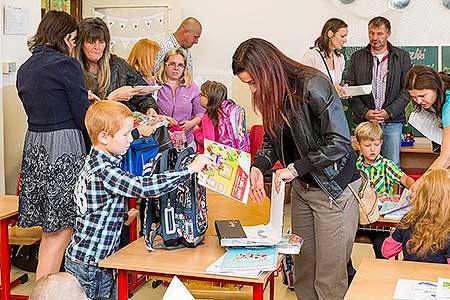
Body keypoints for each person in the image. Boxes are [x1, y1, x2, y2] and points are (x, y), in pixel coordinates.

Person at [232, 38, 359, 300]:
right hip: (303, 187)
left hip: (333, 189)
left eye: (254, 82)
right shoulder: (273, 94)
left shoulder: (313, 84)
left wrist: (296, 168)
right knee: (304, 268)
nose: (253, 90)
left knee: (329, 275)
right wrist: (258, 166)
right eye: (248, 85)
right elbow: (271, 138)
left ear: (267, 70)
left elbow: (339, 142)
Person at [64, 100, 212, 299]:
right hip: (91, 266)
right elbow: (144, 186)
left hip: (90, 258)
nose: (129, 140)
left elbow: (93, 205)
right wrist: (189, 170)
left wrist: (121, 214)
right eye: (125, 135)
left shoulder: (95, 159)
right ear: (104, 137)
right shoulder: (105, 171)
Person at [16, 10, 90, 281]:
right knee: (62, 229)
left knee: (50, 230)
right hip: (63, 145)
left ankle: (44, 289)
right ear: (64, 37)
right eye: (72, 39)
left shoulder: (26, 68)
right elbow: (81, 114)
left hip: (35, 144)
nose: (73, 45)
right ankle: (46, 291)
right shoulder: (66, 65)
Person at [346, 16, 411, 166]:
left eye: (379, 34)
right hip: (365, 122)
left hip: (392, 122)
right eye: (371, 33)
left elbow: (407, 90)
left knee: (391, 165)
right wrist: (365, 112)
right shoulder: (357, 57)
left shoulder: (402, 57)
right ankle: (365, 191)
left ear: (388, 33)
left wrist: (389, 111)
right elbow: (350, 89)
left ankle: (388, 192)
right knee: (364, 166)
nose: (375, 38)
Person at [74, 17, 158, 117]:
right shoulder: (72, 70)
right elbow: (81, 114)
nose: (97, 47)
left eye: (101, 42)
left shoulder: (118, 64)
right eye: (91, 42)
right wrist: (112, 98)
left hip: (119, 128)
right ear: (80, 44)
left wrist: (150, 107)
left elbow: (142, 92)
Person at [354, 121, 415, 258]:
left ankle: (380, 276)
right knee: (341, 245)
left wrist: (413, 186)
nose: (372, 149)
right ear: (358, 145)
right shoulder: (354, 167)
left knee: (382, 250)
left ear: (381, 143)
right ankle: (351, 274)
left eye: (376, 145)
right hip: (359, 220)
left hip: (380, 224)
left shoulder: (386, 165)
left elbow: (404, 178)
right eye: (367, 145)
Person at [382, 168, 450, 264]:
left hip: (407, 276)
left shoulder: (408, 219)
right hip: (435, 277)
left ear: (421, 196)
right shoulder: (447, 228)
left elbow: (387, 251)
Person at [404, 65, 450, 190]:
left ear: (435, 88)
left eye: (423, 96)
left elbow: (446, 156)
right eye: (414, 97)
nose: (418, 101)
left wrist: (421, 182)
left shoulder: (448, 104)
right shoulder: (441, 96)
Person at [155, 48, 205, 149]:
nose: (176, 68)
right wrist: (163, 120)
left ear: (184, 67)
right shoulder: (155, 85)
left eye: (180, 65)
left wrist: (191, 123)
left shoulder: (192, 87)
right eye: (172, 64)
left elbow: (200, 112)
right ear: (165, 65)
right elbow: (148, 112)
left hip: (186, 141)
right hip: (160, 142)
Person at [194, 80, 250, 153]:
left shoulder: (210, 115)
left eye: (201, 94)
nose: (199, 97)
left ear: (209, 98)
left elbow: (208, 142)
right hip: (237, 154)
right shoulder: (229, 109)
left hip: (218, 158)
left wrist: (197, 131)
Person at [300, 18, 348, 97]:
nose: (345, 40)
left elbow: (335, 84)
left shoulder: (340, 58)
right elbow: (302, 84)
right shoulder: (312, 55)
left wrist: (342, 90)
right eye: (342, 36)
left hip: (332, 106)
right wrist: (330, 89)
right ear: (330, 34)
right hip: (316, 107)